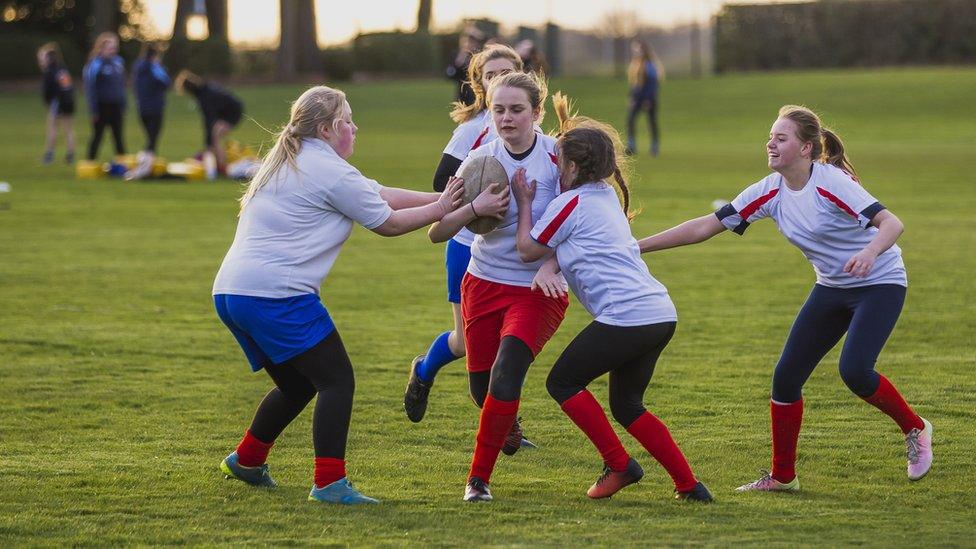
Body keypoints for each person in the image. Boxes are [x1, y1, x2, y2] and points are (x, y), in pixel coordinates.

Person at [637, 105, 933, 492]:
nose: (770, 144)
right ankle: (783, 477)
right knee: (786, 378)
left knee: (855, 371)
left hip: (880, 282)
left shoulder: (831, 183)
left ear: (807, 148)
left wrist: (870, 253)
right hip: (831, 286)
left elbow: (892, 223)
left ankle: (915, 428)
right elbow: (704, 227)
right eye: (770, 137)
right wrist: (636, 246)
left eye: (781, 138)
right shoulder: (769, 191)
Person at [212, 86, 465, 505]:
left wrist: (444, 198)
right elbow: (387, 222)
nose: (355, 127)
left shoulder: (295, 160)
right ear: (329, 129)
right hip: (276, 295)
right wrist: (447, 211)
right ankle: (329, 483)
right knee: (336, 379)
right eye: (348, 120)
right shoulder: (328, 170)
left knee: (297, 385)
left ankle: (247, 461)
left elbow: (380, 194)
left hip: (232, 293)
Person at [511, 97, 713, 502]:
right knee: (627, 406)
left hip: (628, 317)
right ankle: (690, 487)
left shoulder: (568, 202)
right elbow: (570, 247)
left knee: (562, 381)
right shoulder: (604, 196)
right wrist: (553, 264)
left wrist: (526, 203)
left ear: (571, 168)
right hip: (659, 314)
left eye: (558, 162)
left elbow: (527, 250)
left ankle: (620, 464)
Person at [428, 71, 568, 502]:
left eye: (516, 110)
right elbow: (437, 231)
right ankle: (506, 424)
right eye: (498, 109)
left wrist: (554, 262)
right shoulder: (479, 161)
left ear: (537, 113)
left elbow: (588, 221)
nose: (506, 118)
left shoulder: (560, 158)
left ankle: (477, 481)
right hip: (484, 284)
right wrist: (475, 206)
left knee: (506, 375)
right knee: (481, 389)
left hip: (538, 290)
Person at [404, 44, 523, 425]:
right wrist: (476, 202)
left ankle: (507, 423)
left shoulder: (529, 128)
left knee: (514, 337)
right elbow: (442, 183)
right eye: (491, 76)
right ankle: (424, 370)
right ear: (479, 85)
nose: (499, 81)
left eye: (507, 73)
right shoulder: (472, 131)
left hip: (513, 250)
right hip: (467, 248)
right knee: (468, 342)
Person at [175, 70, 244, 172]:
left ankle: (222, 166)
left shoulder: (204, 98)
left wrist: (207, 144)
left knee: (214, 137)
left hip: (233, 113)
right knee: (214, 137)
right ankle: (218, 161)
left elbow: (209, 120)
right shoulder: (205, 88)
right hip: (231, 110)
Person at [83, 32, 127, 161]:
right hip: (102, 106)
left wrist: (123, 104)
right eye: (110, 47)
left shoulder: (118, 62)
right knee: (98, 135)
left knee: (118, 136)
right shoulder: (95, 64)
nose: (113, 50)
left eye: (115, 47)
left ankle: (123, 162)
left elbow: (121, 85)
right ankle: (90, 161)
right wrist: (93, 110)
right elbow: (90, 88)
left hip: (116, 105)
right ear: (101, 48)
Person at [37, 43, 76, 165]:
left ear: (48, 58)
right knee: (68, 129)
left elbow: (46, 91)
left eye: (42, 58)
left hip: (58, 102)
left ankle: (49, 155)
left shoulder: (50, 71)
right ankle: (70, 155)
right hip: (69, 101)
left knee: (52, 128)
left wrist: (48, 103)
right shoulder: (62, 68)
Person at [625, 38, 664, 157]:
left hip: (648, 98)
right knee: (630, 120)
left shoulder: (650, 65)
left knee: (651, 122)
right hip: (638, 98)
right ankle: (631, 146)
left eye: (637, 49)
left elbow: (653, 83)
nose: (635, 52)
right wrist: (632, 97)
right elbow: (635, 84)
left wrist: (648, 99)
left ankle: (655, 147)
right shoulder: (635, 65)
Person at [132, 43, 171, 157]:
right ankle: (145, 161)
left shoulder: (138, 67)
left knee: (150, 136)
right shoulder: (154, 68)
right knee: (153, 137)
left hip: (142, 107)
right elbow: (166, 83)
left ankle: (147, 159)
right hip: (155, 107)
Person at [446, 25, 485, 106]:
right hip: (462, 96)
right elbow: (450, 75)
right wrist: (459, 61)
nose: (468, 44)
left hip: (477, 96)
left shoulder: (481, 56)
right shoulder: (457, 55)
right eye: (465, 41)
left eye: (471, 41)